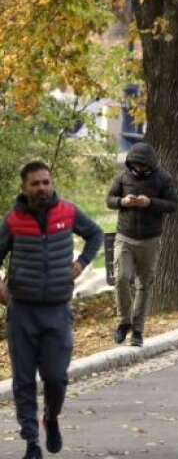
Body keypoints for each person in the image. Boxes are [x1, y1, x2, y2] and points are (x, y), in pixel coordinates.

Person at [0, 161, 104, 459]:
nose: (42, 188)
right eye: (35, 183)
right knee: (23, 380)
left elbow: (96, 234)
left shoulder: (68, 212)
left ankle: (52, 417)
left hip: (58, 309)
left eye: (46, 182)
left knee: (56, 377)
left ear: (52, 183)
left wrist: (82, 263)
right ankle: (31, 442)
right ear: (24, 188)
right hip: (22, 311)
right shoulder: (13, 221)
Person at [105, 142, 178, 347]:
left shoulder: (163, 178)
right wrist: (122, 202)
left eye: (144, 166)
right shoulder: (122, 177)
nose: (140, 169)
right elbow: (109, 199)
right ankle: (123, 322)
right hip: (125, 236)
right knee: (121, 278)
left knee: (144, 285)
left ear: (151, 165)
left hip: (150, 238)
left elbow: (173, 204)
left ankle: (138, 330)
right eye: (137, 165)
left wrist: (151, 203)